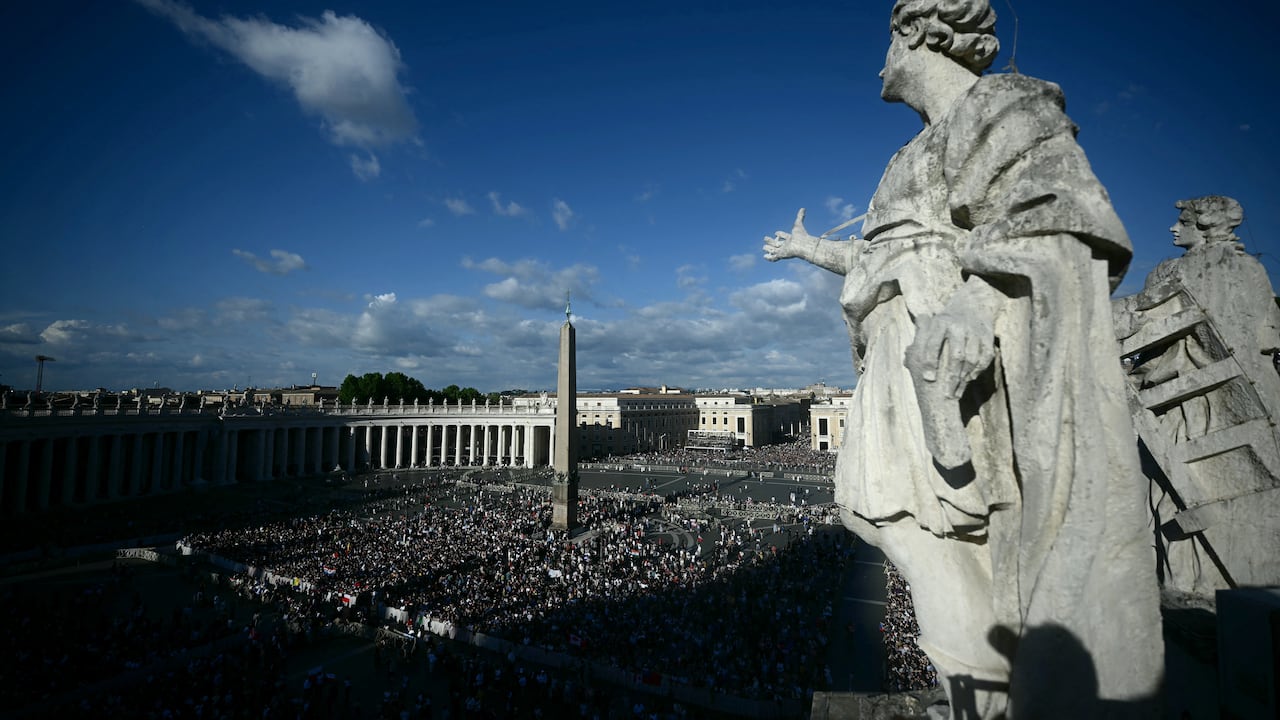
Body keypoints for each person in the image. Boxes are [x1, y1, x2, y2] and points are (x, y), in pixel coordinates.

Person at [763, 0, 1161, 715]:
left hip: (946, 361)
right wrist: (806, 250)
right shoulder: (907, 156)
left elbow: (1058, 219)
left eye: (884, 42)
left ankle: (990, 693)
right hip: (898, 354)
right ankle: (985, 690)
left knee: (931, 532)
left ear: (917, 31)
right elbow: (878, 253)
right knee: (905, 529)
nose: (877, 63)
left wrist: (977, 306)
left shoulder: (1004, 106)